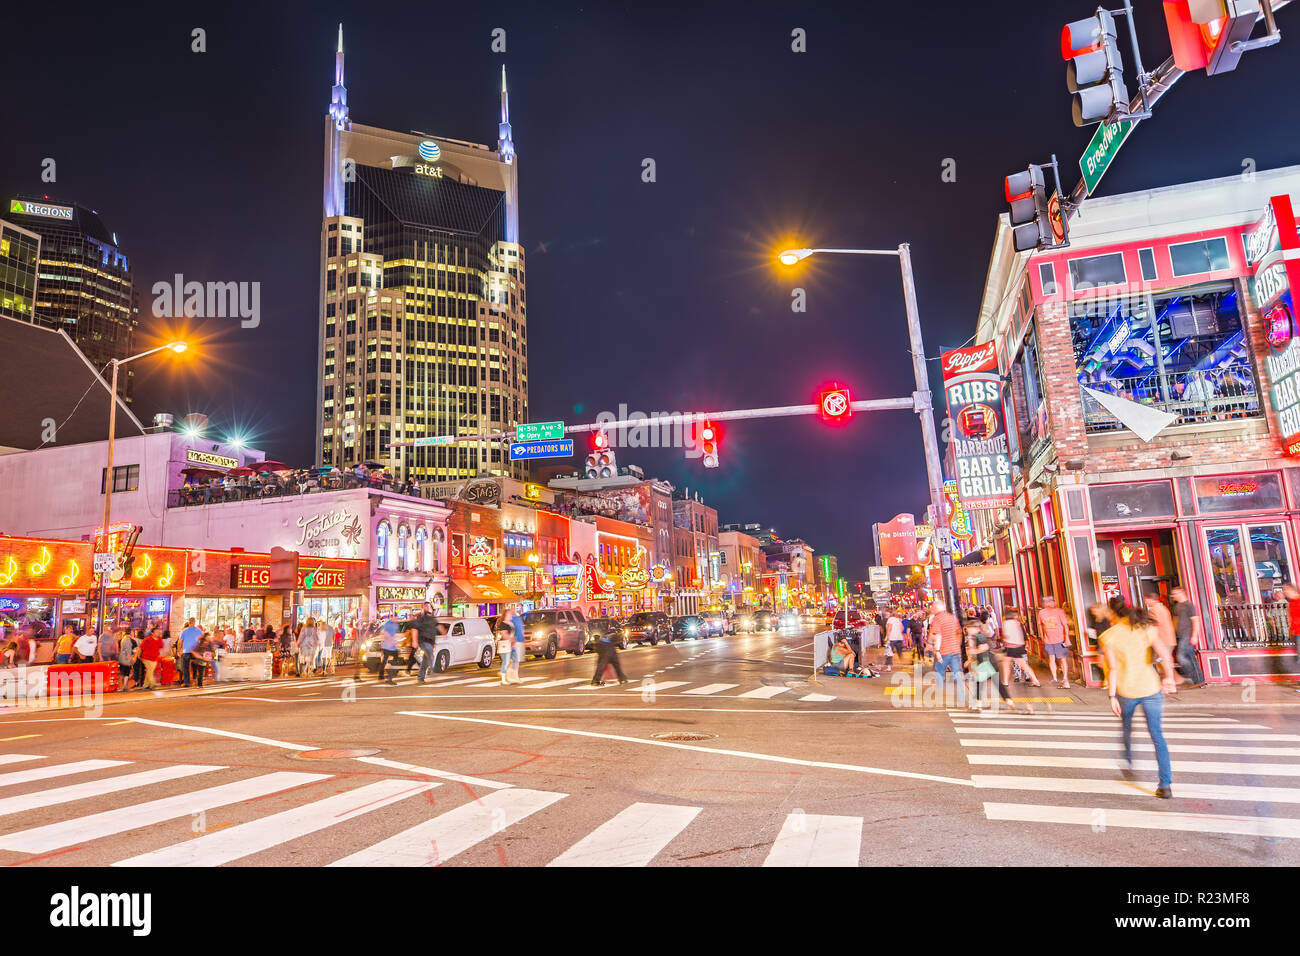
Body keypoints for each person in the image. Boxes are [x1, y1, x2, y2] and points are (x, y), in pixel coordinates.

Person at [1100, 597, 1177, 799]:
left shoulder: (1108, 636)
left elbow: (1113, 669)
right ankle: (1165, 784)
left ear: (1113, 615)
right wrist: (1169, 678)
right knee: (1157, 736)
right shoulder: (1146, 629)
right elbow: (1165, 656)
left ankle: (1128, 761)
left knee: (1126, 726)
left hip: (1126, 691)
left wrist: (1111, 695)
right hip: (1151, 688)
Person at [928, 599, 966, 708]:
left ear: (936, 608)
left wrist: (938, 651)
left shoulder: (937, 618)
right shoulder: (952, 617)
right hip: (955, 650)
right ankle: (962, 700)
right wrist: (956, 644)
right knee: (957, 675)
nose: (932, 610)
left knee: (939, 674)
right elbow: (959, 632)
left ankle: (939, 698)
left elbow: (937, 635)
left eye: (933, 608)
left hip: (944, 651)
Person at [1037, 596, 1073, 688]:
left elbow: (1065, 625)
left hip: (1060, 640)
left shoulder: (1060, 611)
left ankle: (1065, 678)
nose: (1049, 603)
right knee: (1051, 659)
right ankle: (1055, 678)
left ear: (1054, 602)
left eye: (1051, 601)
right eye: (1047, 602)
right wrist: (1042, 636)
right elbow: (1040, 625)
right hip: (1048, 640)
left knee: (1062, 659)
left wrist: (1067, 638)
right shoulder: (1041, 612)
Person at [999, 610, 1042, 687]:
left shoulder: (1006, 623)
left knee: (1006, 663)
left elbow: (1006, 636)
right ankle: (1035, 680)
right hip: (1019, 646)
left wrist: (1003, 640)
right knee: (1022, 664)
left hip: (1011, 647)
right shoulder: (1018, 623)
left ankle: (1005, 682)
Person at [400, 602, 442, 681]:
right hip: (423, 641)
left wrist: (444, 632)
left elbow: (438, 628)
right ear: (424, 608)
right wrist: (415, 641)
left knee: (425, 660)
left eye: (429, 606)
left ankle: (420, 677)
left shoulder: (433, 619)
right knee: (430, 655)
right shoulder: (421, 619)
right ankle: (432, 671)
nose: (428, 608)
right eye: (426, 606)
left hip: (431, 642)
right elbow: (414, 629)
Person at [375, 616, 401, 684]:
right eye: (396, 618)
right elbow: (385, 633)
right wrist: (391, 640)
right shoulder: (388, 623)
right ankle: (383, 675)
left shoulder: (396, 624)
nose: (397, 619)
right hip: (387, 646)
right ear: (393, 617)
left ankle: (391, 673)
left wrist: (395, 641)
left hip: (393, 646)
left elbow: (395, 634)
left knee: (394, 659)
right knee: (386, 660)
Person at [178, 618, 202, 688]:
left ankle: (187, 682)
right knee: (196, 666)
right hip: (195, 651)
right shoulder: (199, 631)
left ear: (189, 622)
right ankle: (196, 679)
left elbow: (180, 641)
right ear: (194, 622)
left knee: (186, 667)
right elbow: (202, 640)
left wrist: (179, 650)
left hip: (186, 651)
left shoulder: (184, 631)